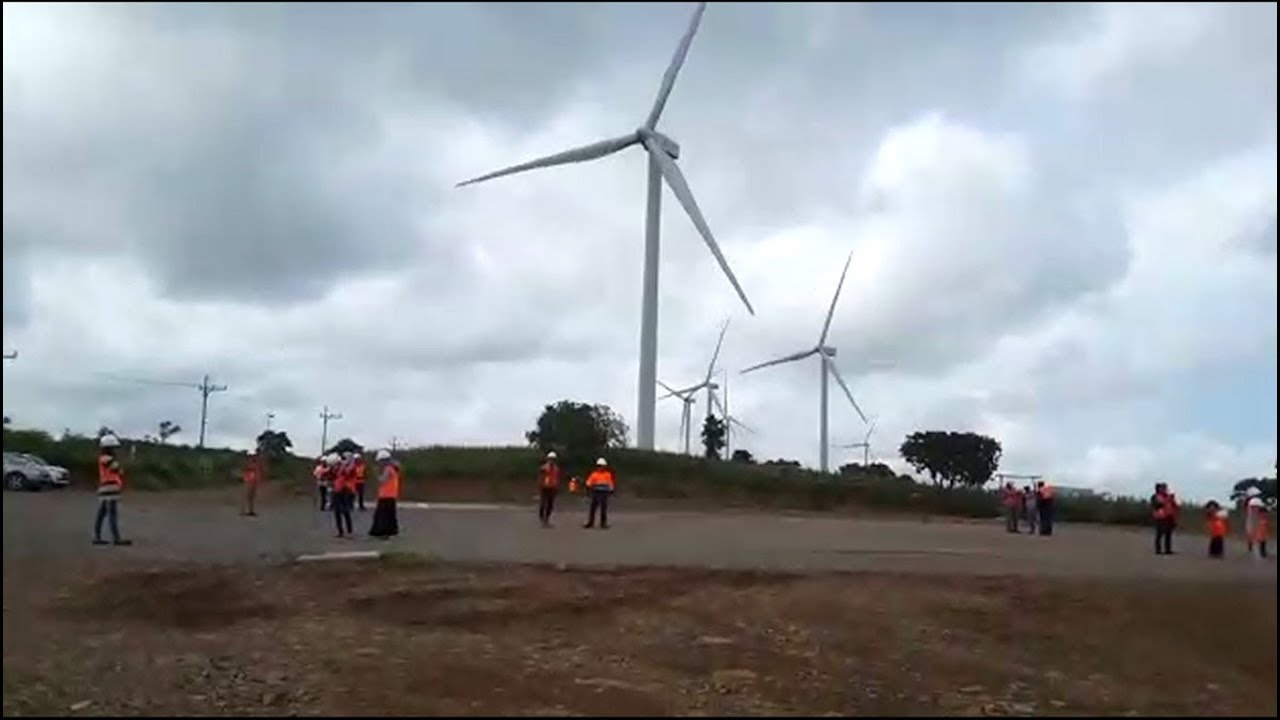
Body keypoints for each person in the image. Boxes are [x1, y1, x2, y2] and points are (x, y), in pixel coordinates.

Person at [93, 434, 132, 546]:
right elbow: (118, 470)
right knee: (112, 514)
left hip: (104, 487)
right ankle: (116, 539)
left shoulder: (102, 458)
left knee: (102, 514)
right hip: (110, 487)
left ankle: (97, 537)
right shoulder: (107, 459)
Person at [368, 448, 401, 540]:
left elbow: (382, 480)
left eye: (380, 461)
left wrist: (376, 474)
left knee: (383, 515)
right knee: (390, 515)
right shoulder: (395, 468)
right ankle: (391, 532)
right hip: (392, 495)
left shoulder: (388, 469)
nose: (379, 464)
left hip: (386, 495)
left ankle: (383, 533)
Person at [582, 457, 615, 530]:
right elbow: (589, 483)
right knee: (593, 508)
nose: (601, 467)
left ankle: (603, 523)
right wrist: (588, 489)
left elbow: (610, 483)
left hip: (604, 493)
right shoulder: (594, 474)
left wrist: (611, 490)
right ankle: (591, 522)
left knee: (603, 509)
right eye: (599, 466)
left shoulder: (607, 474)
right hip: (596, 492)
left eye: (602, 466)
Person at [1150, 481, 1178, 555]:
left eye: (1165, 488)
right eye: (1162, 488)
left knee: (1168, 534)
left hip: (1169, 517)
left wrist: (1172, 500)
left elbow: (1174, 506)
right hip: (1160, 517)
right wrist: (1167, 500)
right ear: (1159, 488)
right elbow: (1157, 505)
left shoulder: (1168, 496)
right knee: (1159, 534)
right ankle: (1158, 550)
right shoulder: (1155, 496)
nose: (1164, 489)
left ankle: (1168, 549)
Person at [331, 453, 354, 538]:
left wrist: (345, 464)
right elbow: (331, 475)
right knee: (337, 512)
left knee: (345, 511)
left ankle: (349, 531)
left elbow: (349, 471)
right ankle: (340, 531)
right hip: (336, 491)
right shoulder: (335, 469)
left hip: (344, 490)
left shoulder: (346, 467)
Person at [537, 451, 561, 528]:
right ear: (548, 459)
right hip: (545, 487)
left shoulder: (556, 468)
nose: (552, 460)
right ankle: (542, 518)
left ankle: (546, 518)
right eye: (551, 459)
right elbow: (540, 477)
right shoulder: (544, 468)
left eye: (553, 459)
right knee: (543, 503)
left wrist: (557, 486)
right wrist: (540, 485)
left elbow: (557, 478)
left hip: (552, 487)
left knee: (550, 504)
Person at [241, 448, 263, 517]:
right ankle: (247, 510)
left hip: (253, 480)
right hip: (250, 480)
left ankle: (250, 510)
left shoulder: (256, 461)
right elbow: (248, 469)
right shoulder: (252, 462)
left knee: (251, 497)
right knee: (249, 496)